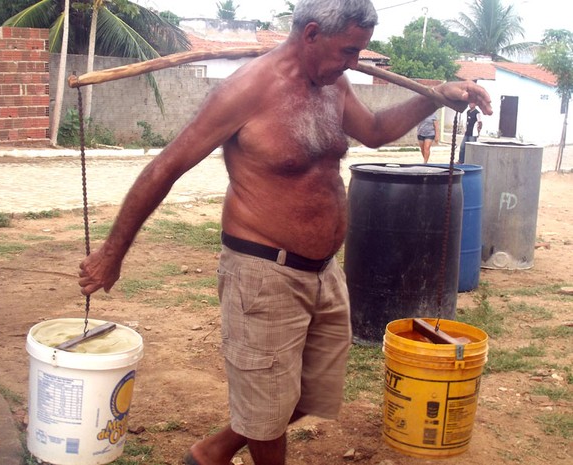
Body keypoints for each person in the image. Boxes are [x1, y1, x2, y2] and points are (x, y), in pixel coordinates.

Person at [77, 1, 492, 464]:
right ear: (311, 33)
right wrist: (111, 254)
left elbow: (374, 131)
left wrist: (434, 95)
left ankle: (211, 452)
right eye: (349, 50)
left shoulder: (333, 83)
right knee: (269, 406)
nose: (354, 62)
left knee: (308, 392)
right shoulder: (247, 90)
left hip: (322, 273)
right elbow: (163, 169)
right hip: (263, 273)